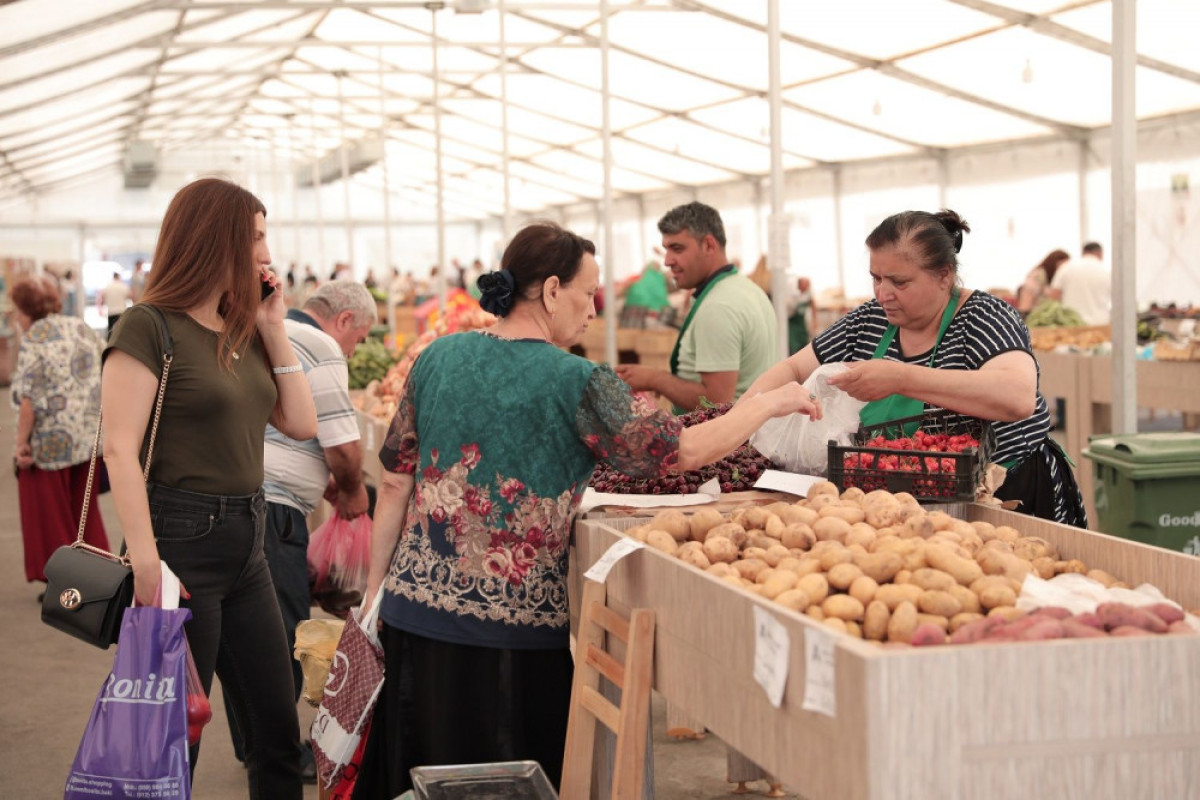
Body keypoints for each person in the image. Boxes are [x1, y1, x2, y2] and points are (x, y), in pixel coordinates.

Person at [352, 221, 821, 799]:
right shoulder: (579, 381)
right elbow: (683, 450)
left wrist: (377, 592)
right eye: (588, 292)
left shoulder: (436, 357)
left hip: (415, 616)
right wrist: (772, 402)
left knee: (421, 778)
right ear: (551, 291)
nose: (594, 309)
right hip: (511, 636)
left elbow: (395, 483)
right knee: (510, 779)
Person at [102, 177, 318, 799]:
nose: (265, 251)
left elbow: (300, 424)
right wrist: (145, 561)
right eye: (254, 237)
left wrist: (273, 325)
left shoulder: (241, 328)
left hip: (247, 544)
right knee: (174, 738)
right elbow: (119, 446)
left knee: (276, 729)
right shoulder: (148, 328)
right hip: (178, 544)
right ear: (215, 239)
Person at [744, 209, 1086, 527]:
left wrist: (900, 378)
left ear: (944, 276)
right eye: (876, 278)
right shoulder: (869, 320)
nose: (883, 293)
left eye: (900, 282)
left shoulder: (985, 318)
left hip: (1005, 496)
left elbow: (1017, 397)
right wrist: (740, 416)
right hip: (907, 504)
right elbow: (793, 367)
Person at [224, 280, 375, 778]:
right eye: (359, 339)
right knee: (283, 635)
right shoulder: (321, 344)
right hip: (275, 509)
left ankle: (257, 747)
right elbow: (342, 443)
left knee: (243, 639)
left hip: (239, 498)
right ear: (345, 320)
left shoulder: (270, 330)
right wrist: (351, 489)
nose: (355, 350)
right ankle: (280, 754)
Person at [616, 202, 776, 412]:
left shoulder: (718, 307)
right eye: (666, 249)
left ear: (709, 245)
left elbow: (716, 402)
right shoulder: (747, 289)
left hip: (727, 441)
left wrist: (656, 379)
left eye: (677, 248)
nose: (667, 261)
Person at [10, 276, 109, 590]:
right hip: (86, 438)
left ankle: (64, 583)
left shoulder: (35, 336)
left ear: (26, 310)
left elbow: (30, 398)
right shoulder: (78, 326)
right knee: (84, 512)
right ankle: (96, 575)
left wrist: (21, 444)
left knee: (50, 517)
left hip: (51, 443)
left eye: (16, 310)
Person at [1048, 242, 1110, 325]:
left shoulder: (1065, 268)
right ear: (1100, 253)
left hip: (1072, 324)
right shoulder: (1106, 272)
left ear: (1083, 252)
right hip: (1100, 325)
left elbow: (1053, 298)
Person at [1016, 249, 1070, 316]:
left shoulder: (1055, 279)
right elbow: (1027, 295)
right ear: (1053, 263)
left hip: (1047, 316)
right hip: (1034, 317)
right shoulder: (1038, 274)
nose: (1064, 269)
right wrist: (1023, 316)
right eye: (1062, 265)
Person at [787, 276, 818, 354]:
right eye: (806, 284)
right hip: (792, 327)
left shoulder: (807, 295)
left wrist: (814, 322)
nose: (808, 286)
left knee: (804, 346)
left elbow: (813, 306)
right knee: (794, 347)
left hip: (802, 326)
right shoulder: (793, 295)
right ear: (799, 284)